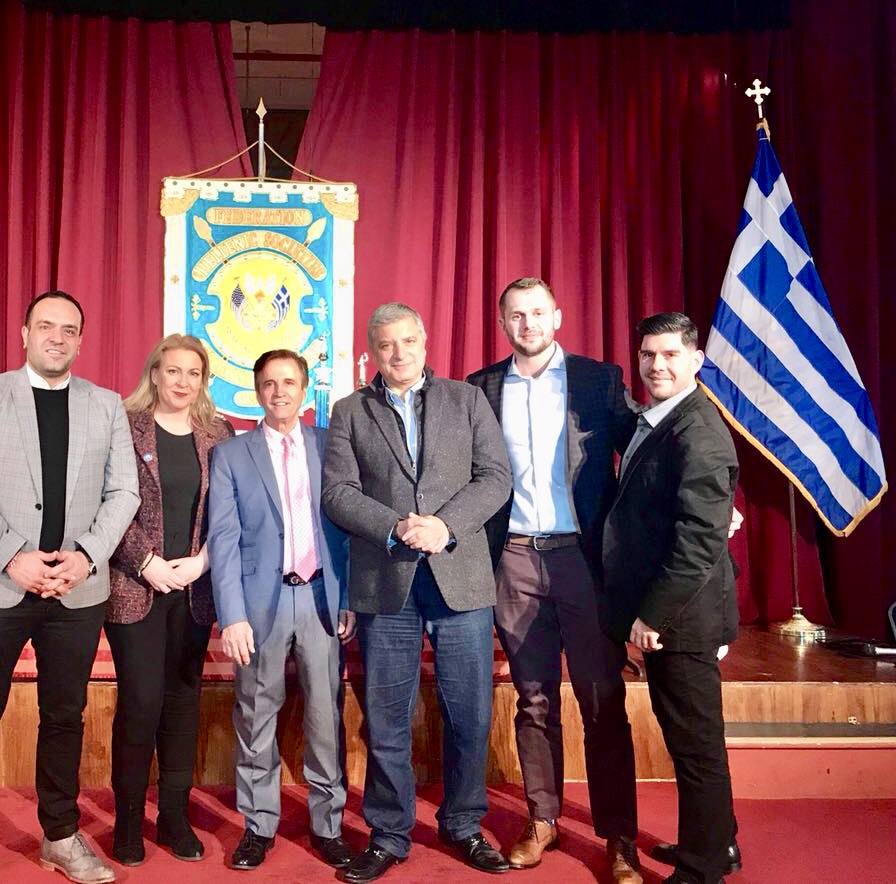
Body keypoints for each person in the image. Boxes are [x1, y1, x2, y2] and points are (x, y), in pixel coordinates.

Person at [0, 291, 139, 884]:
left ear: (81, 340)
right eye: (46, 326)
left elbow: (124, 491)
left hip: (75, 590)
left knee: (65, 716)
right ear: (24, 333)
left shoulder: (106, 405)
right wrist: (12, 556)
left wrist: (87, 557)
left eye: (69, 329)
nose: (57, 338)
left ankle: (61, 836)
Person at [322, 303, 513, 883]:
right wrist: (396, 526)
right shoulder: (350, 411)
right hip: (386, 582)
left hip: (460, 577)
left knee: (470, 713)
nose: (398, 353)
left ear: (425, 342)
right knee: (386, 717)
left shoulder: (467, 400)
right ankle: (388, 834)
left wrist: (444, 526)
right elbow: (337, 492)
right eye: (386, 345)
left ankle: (464, 824)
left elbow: (496, 478)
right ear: (372, 352)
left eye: (407, 341)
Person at [466, 278, 642, 883]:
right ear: (502, 322)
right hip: (513, 559)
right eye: (516, 315)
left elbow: (643, 452)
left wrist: (709, 500)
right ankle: (542, 819)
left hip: (583, 561)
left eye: (538, 312)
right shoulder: (481, 388)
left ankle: (618, 835)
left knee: (601, 700)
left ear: (558, 316)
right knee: (533, 699)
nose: (529, 324)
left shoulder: (599, 380)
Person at [602, 312, 740, 884]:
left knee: (695, 744)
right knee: (689, 738)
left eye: (670, 355)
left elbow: (699, 542)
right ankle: (718, 842)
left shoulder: (699, 432)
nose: (657, 365)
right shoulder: (663, 416)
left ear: (696, 360)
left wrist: (651, 616)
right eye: (648, 355)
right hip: (678, 611)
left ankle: (704, 868)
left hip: (682, 616)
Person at [207, 349, 356, 872]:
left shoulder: (330, 445)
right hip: (258, 605)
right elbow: (224, 539)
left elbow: (346, 529)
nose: (279, 392)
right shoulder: (231, 455)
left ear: (305, 388)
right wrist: (232, 615)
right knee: (255, 714)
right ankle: (258, 826)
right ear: (257, 391)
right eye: (269, 383)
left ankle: (328, 826)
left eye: (289, 382)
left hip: (320, 598)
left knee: (325, 717)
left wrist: (347, 597)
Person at [105, 334, 234, 866]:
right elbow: (103, 503)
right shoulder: (122, 426)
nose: (183, 382)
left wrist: (204, 561)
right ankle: (128, 821)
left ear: (204, 381)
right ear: (154, 374)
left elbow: (228, 509)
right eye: (173, 371)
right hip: (135, 587)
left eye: (193, 373)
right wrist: (145, 562)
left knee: (183, 700)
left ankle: (174, 817)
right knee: (141, 701)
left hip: (193, 589)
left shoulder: (218, 433)